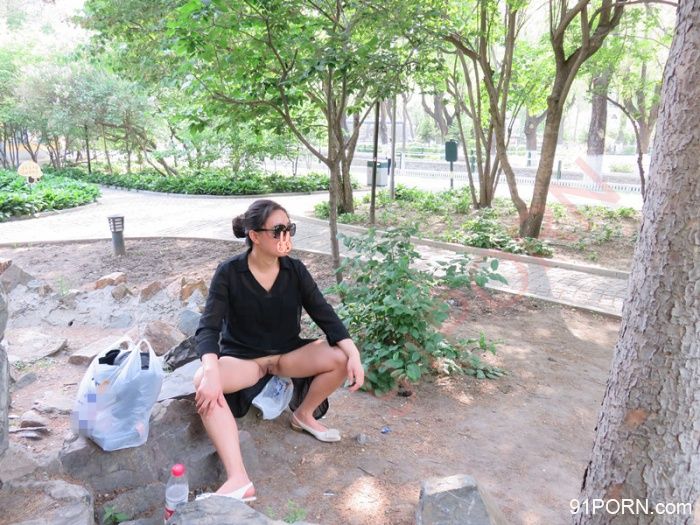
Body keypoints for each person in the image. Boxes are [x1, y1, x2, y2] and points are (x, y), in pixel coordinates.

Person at [192, 199, 364, 502]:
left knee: (340, 357)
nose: (285, 236)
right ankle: (238, 479)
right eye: (277, 230)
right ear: (254, 235)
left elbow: (325, 314)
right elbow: (208, 327)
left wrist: (355, 354)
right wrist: (210, 369)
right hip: (245, 359)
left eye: (289, 228)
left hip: (287, 355)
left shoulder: (294, 270)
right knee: (203, 380)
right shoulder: (230, 272)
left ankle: (303, 415)